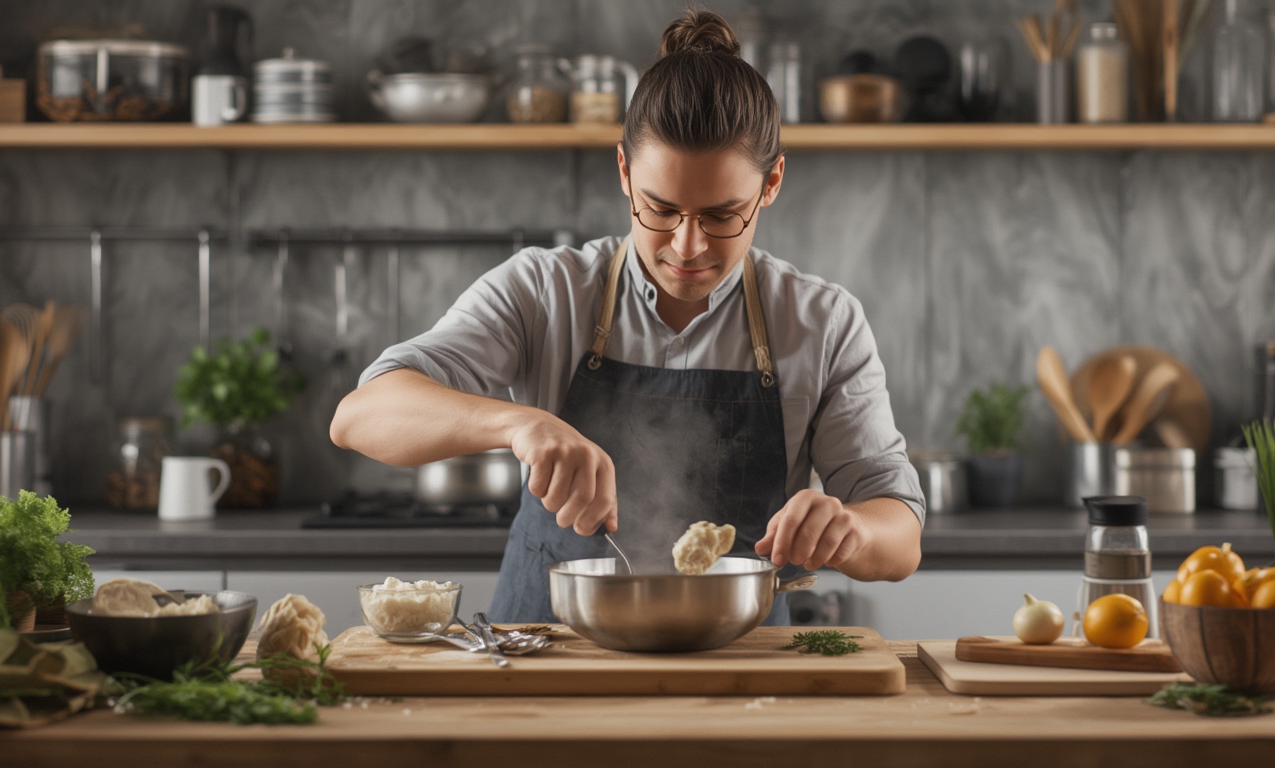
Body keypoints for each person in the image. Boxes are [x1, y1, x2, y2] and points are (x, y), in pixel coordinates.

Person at [330, 10, 924, 624]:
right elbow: (360, 417)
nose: (687, 246)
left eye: (722, 216)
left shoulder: (822, 322)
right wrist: (521, 424)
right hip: (546, 654)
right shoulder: (545, 290)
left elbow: (901, 537)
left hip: (740, 662)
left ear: (771, 183)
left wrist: (851, 530)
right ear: (623, 172)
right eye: (659, 209)